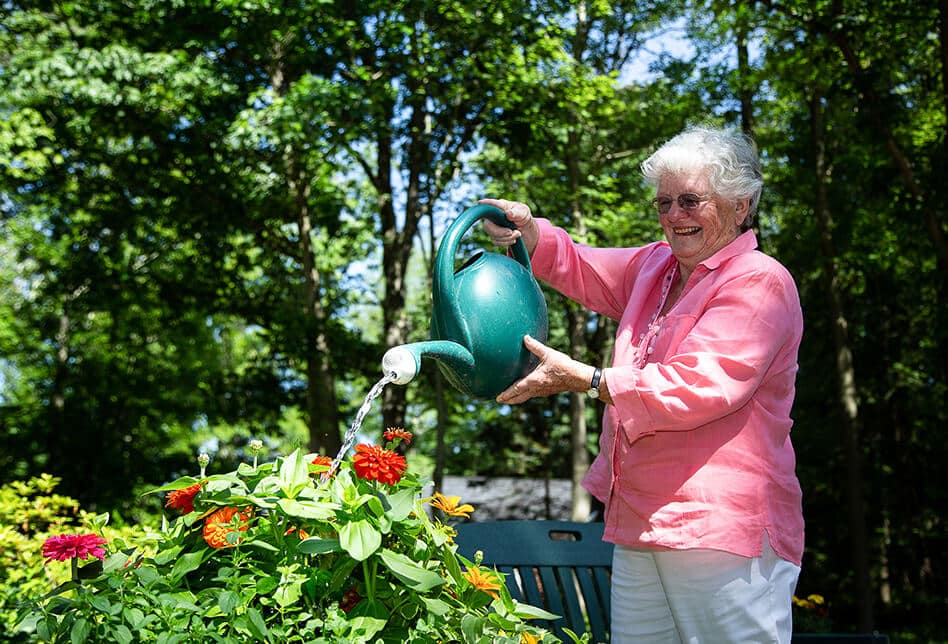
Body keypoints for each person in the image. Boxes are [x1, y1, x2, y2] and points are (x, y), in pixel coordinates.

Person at [479, 124, 804, 644]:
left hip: (721, 528)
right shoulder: (657, 265)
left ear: (740, 205)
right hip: (641, 522)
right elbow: (581, 265)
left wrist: (587, 380)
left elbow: (698, 386)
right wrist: (527, 231)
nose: (674, 216)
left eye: (691, 200)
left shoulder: (758, 279)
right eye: (664, 203)